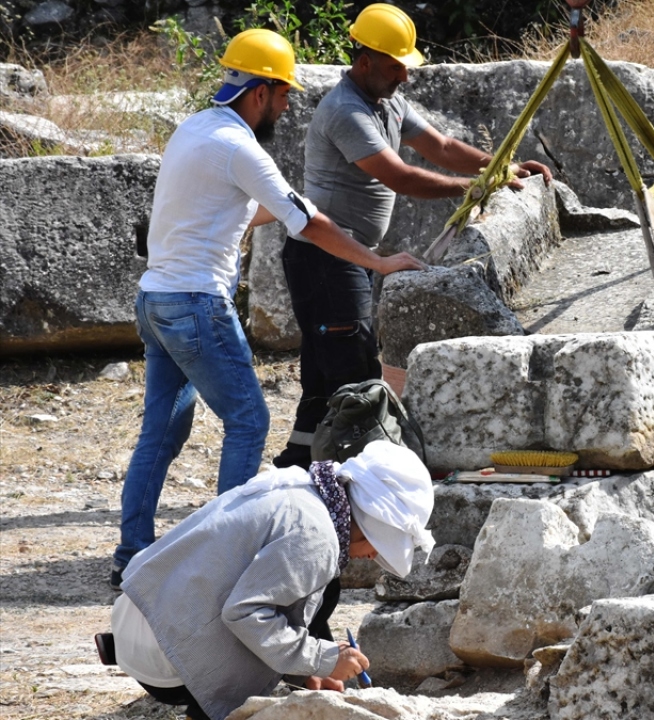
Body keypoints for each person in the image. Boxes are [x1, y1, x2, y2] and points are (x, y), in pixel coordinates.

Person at [111, 27, 426, 591]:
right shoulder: (240, 145)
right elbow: (307, 220)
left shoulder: (195, 130)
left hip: (155, 300)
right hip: (195, 304)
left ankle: (131, 551)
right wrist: (375, 263)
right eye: (283, 95)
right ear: (260, 92)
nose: (285, 105)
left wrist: (291, 210)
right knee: (250, 420)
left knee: (160, 432)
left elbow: (236, 209)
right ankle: (228, 558)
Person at [272, 2, 553, 470]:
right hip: (324, 257)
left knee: (327, 371)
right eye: (394, 67)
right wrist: (481, 186)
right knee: (353, 370)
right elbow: (400, 176)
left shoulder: (388, 102)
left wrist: (500, 165)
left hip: (343, 254)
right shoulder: (345, 110)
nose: (404, 77)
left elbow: (440, 147)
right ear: (365, 63)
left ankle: (301, 465)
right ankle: (346, 477)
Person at [107, 441, 435, 720]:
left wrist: (306, 669)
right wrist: (324, 659)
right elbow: (245, 614)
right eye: (383, 541)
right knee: (308, 595)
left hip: (140, 615)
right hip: (164, 655)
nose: (373, 555)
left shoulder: (299, 488)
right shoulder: (318, 537)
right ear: (371, 520)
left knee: (318, 594)